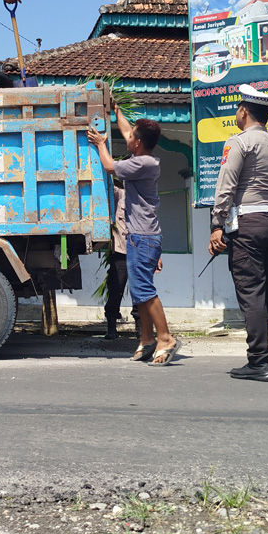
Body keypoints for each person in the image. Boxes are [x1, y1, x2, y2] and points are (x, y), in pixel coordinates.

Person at [208, 84, 268, 382]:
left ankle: (259, 361)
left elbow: (226, 188)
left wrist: (217, 225)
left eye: (237, 109)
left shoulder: (238, 143)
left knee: (251, 291)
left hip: (249, 224)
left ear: (244, 111)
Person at [87, 105, 181, 365]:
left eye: (130, 138)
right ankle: (147, 339)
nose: (127, 137)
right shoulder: (145, 156)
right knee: (140, 293)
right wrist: (117, 111)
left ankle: (165, 338)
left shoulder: (141, 163)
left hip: (142, 237)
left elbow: (108, 166)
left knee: (145, 291)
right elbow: (130, 130)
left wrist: (100, 143)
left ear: (138, 143)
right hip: (140, 237)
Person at [102, 183, 140, 339]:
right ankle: (111, 328)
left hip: (139, 252)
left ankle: (141, 330)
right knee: (116, 288)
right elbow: (107, 181)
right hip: (120, 251)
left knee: (139, 291)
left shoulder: (144, 200)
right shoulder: (120, 195)